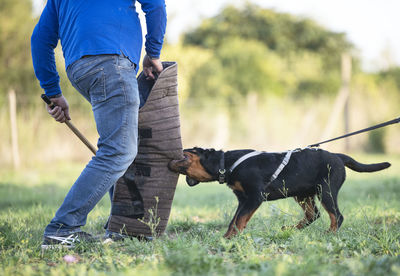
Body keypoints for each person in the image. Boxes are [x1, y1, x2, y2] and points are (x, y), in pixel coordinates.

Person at [31, 0, 167, 249]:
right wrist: (154, 52)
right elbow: (156, 4)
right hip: (112, 62)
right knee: (118, 150)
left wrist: (53, 91)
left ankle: (123, 226)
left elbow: (39, 40)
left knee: (119, 144)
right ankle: (61, 229)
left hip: (79, 69)